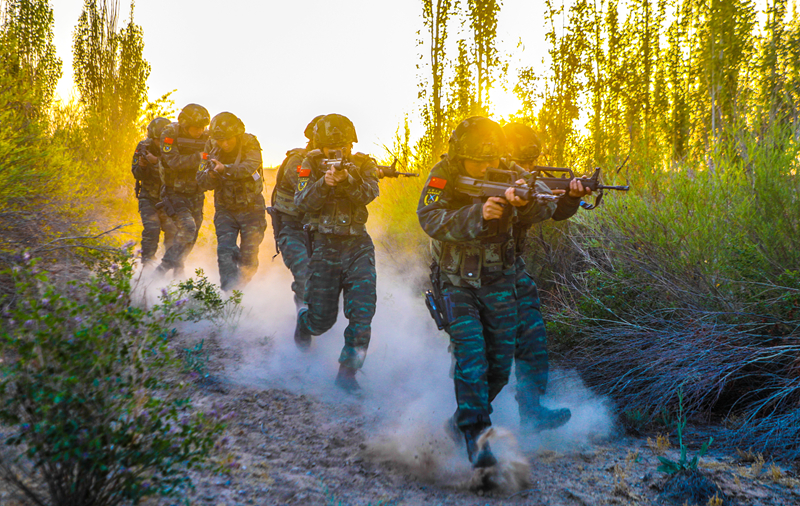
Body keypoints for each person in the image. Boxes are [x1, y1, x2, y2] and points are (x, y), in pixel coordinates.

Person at [418, 116, 546, 468]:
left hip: (498, 282)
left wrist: (525, 205)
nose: (488, 167)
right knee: (472, 358)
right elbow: (429, 217)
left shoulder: (510, 171)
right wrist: (479, 212)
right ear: (461, 156)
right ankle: (478, 439)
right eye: (479, 160)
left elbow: (545, 205)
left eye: (492, 159)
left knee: (499, 369)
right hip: (456, 282)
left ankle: (460, 421)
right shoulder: (443, 174)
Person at [502, 122, 591, 432]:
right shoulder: (484, 182)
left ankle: (531, 410)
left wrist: (567, 197)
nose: (528, 168)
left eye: (531, 161)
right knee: (477, 347)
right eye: (522, 160)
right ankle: (465, 415)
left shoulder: (527, 183)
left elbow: (549, 213)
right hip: (473, 275)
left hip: (511, 269)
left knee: (532, 334)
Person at [293, 113, 379, 394]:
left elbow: (369, 193)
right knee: (322, 321)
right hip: (325, 246)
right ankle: (305, 323)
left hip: (357, 245)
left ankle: (347, 374)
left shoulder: (364, 163)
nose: (336, 152)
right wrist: (324, 183)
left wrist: (346, 179)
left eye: (341, 146)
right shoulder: (309, 163)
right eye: (331, 147)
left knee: (362, 314)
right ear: (320, 145)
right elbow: (301, 202)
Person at [196, 112, 266, 292]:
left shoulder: (250, 142)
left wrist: (224, 169)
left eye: (228, 139)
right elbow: (201, 180)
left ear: (237, 135)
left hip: (252, 209)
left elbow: (249, 166)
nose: (224, 144)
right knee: (225, 251)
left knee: (249, 259)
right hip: (225, 210)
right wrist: (211, 174)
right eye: (220, 140)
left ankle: (241, 290)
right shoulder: (211, 146)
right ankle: (229, 296)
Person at [268, 115, 325, 310]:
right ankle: (304, 325)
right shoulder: (297, 161)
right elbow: (308, 196)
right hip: (293, 230)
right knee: (305, 275)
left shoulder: (336, 164)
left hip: (323, 231)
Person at [154, 103, 210, 277]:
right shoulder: (170, 133)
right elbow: (174, 162)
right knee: (187, 228)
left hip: (196, 193)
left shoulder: (207, 137)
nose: (200, 131)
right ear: (185, 125)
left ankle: (178, 270)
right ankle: (161, 270)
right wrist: (199, 157)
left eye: (203, 127)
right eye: (196, 128)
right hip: (174, 193)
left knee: (192, 237)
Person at [131, 117, 176, 267]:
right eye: (156, 139)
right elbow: (136, 173)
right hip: (148, 197)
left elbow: (173, 172)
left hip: (169, 199)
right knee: (151, 229)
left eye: (161, 139)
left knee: (173, 233)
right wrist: (143, 166)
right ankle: (147, 265)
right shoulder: (144, 147)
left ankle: (170, 267)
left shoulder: (174, 148)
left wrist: (156, 162)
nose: (158, 143)